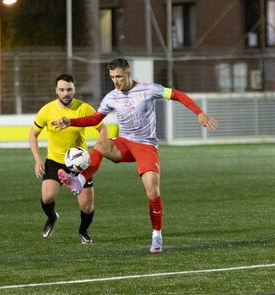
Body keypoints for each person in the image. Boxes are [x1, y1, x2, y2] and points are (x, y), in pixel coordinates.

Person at [52, 58, 217, 253]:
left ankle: (157, 235)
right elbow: (96, 118)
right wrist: (71, 122)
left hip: (146, 146)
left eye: (119, 76)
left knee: (152, 191)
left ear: (129, 74)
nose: (116, 81)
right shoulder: (111, 96)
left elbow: (177, 94)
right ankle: (80, 179)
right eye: (112, 77)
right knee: (101, 144)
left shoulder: (149, 89)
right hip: (125, 143)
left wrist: (199, 112)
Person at [29, 74, 108, 244]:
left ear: (74, 89)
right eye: (62, 89)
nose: (65, 93)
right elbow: (33, 134)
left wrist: (98, 150)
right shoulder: (47, 110)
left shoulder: (84, 109)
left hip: (79, 163)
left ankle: (83, 231)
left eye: (69, 89)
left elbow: (102, 128)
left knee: (87, 206)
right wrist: (37, 159)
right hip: (55, 160)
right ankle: (51, 217)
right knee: (47, 197)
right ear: (56, 90)